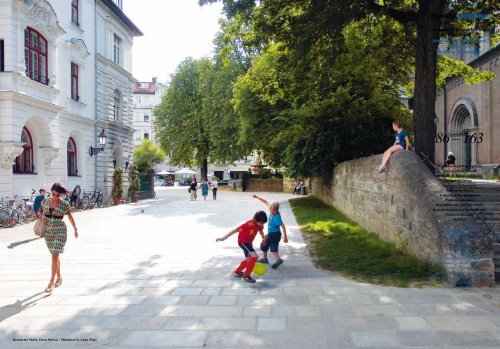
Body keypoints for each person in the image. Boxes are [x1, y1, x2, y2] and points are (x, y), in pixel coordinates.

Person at [38, 183, 78, 293]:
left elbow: (70, 216)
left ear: (61, 195)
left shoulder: (64, 204)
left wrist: (75, 229)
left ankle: (51, 282)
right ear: (51, 192)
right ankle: (59, 277)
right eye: (53, 194)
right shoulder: (45, 202)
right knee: (55, 255)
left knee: (55, 255)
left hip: (60, 231)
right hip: (48, 232)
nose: (55, 197)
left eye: (58, 195)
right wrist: (41, 216)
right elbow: (39, 211)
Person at [216, 211, 268, 283]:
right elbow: (235, 231)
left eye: (263, 223)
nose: (262, 225)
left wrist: (263, 237)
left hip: (249, 243)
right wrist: (223, 238)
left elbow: (260, 230)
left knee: (249, 259)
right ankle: (246, 276)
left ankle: (237, 272)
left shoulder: (259, 225)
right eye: (261, 223)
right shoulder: (247, 225)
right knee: (255, 257)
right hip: (243, 242)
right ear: (255, 220)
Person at [252, 195, 289, 269]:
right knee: (273, 247)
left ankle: (266, 259)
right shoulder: (273, 209)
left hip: (273, 234)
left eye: (271, 210)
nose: (270, 211)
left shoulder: (277, 217)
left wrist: (285, 237)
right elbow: (265, 202)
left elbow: (283, 226)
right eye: (269, 210)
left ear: (275, 210)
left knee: (264, 243)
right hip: (275, 234)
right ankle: (277, 259)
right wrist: (258, 197)